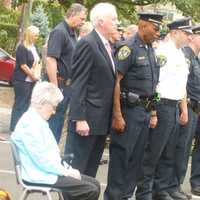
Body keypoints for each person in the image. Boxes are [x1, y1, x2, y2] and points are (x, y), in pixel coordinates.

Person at [104, 12, 164, 200]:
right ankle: (114, 196)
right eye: (155, 29)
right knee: (122, 158)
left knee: (136, 161)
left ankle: (126, 196)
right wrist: (117, 115)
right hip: (128, 112)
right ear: (143, 26)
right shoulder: (128, 48)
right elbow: (117, 82)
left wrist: (153, 111)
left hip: (144, 113)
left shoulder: (150, 49)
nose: (157, 33)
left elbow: (154, 85)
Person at [11, 81, 100, 200]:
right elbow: (42, 160)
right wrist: (66, 172)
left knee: (95, 184)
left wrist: (69, 169)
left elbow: (51, 156)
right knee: (90, 190)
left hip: (47, 171)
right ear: (43, 103)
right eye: (53, 106)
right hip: (40, 174)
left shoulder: (37, 120)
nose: (54, 111)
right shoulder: (29, 125)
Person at [136, 18, 191, 200]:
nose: (188, 37)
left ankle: (161, 189)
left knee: (168, 151)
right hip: (162, 105)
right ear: (175, 32)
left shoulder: (180, 53)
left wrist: (183, 108)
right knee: (154, 152)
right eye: (186, 33)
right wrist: (155, 108)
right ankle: (145, 191)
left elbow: (181, 85)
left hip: (174, 105)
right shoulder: (163, 52)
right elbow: (156, 85)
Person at [65, 2, 118, 178]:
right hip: (87, 120)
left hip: (100, 121)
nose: (116, 22)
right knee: (77, 172)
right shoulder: (88, 43)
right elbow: (79, 83)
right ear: (101, 21)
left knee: (89, 173)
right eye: (113, 19)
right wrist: (79, 118)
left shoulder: (105, 45)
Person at [46, 3, 87, 143]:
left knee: (59, 124)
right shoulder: (60, 31)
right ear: (73, 14)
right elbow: (51, 59)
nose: (83, 22)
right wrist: (55, 88)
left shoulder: (71, 32)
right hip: (60, 84)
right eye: (81, 18)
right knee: (54, 124)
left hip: (68, 85)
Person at [171, 25, 200, 199]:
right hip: (188, 107)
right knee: (182, 148)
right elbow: (184, 85)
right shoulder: (186, 55)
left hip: (196, 108)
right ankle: (175, 184)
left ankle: (196, 183)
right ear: (193, 37)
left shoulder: (195, 58)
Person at [10, 25, 40, 131]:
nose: (37, 37)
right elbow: (23, 65)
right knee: (20, 103)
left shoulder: (34, 47)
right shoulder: (22, 47)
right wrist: (33, 76)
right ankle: (14, 127)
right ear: (30, 35)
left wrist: (35, 76)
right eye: (36, 35)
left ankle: (21, 126)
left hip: (31, 81)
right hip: (22, 80)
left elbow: (36, 61)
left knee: (27, 104)